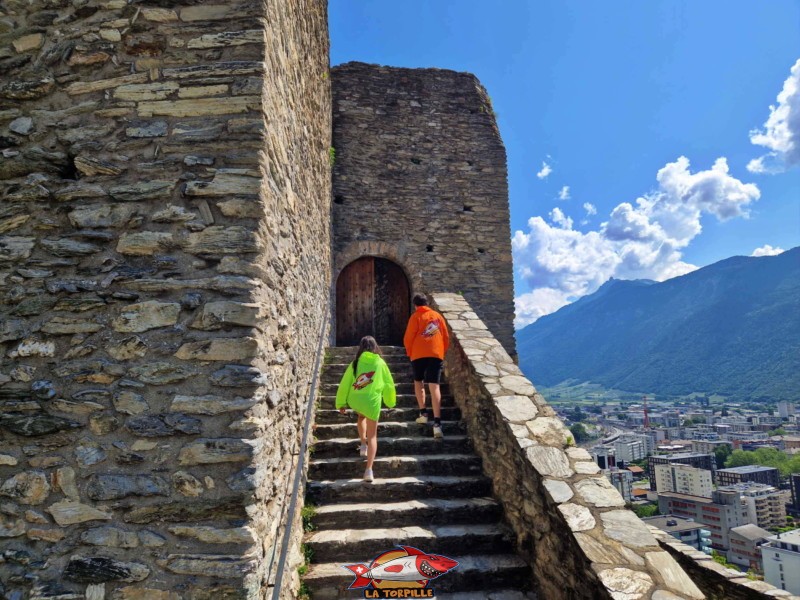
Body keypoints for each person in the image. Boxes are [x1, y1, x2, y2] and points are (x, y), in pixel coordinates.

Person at [335, 336, 396, 482]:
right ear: (375, 347)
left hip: (356, 399)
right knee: (373, 436)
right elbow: (388, 384)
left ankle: (363, 443)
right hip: (372, 401)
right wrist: (390, 402)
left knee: (361, 417)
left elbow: (345, 383)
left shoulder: (355, 363)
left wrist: (341, 403)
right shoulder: (380, 363)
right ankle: (368, 470)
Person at [403, 293, 449, 439]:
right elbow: (445, 336)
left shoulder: (416, 317)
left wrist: (409, 352)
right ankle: (437, 424)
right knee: (434, 385)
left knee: (419, 382)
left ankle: (423, 413)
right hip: (436, 354)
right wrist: (441, 351)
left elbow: (409, 337)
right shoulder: (437, 316)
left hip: (418, 354)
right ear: (427, 303)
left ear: (415, 305)